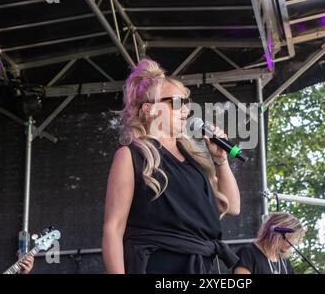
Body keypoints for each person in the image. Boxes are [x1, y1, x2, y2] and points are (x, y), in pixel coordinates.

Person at [102, 58, 241, 274]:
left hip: (200, 267)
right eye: (176, 103)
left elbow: (232, 206)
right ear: (149, 109)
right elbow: (113, 229)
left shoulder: (195, 159)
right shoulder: (131, 156)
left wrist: (220, 160)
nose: (185, 109)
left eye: (186, 103)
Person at [233, 212, 304, 274]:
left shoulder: (284, 261)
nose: (293, 243)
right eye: (290, 237)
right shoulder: (247, 253)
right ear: (278, 234)